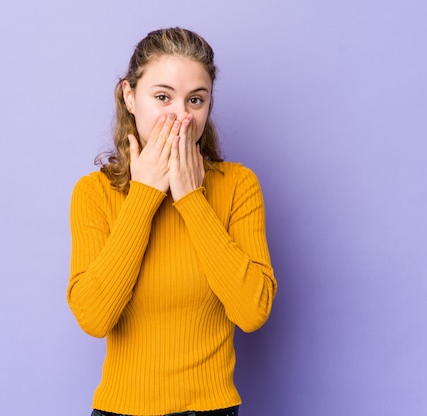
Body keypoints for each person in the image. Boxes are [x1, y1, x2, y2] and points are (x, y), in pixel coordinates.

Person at [67, 27, 277, 416]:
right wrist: (145, 195)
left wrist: (192, 199)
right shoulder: (94, 194)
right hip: (121, 411)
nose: (181, 116)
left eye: (195, 100)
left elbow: (252, 312)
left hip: (212, 410)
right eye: (162, 97)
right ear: (130, 96)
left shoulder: (238, 185)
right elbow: (95, 318)